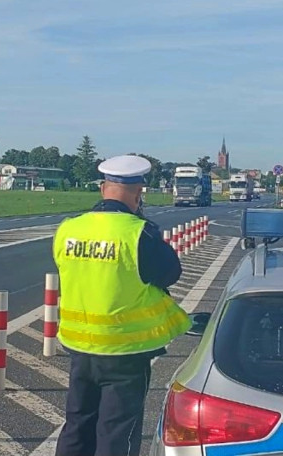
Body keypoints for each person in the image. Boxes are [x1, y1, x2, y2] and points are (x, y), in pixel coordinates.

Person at [53, 154, 190, 456]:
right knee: (117, 434)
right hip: (124, 351)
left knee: (77, 424)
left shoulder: (68, 229)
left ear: (103, 188)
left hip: (79, 346)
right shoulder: (139, 233)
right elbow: (170, 273)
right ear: (139, 193)